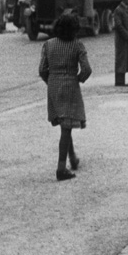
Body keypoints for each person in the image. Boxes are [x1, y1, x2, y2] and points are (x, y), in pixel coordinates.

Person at [38, 14, 92, 181]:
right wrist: (78, 79)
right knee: (67, 126)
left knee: (64, 125)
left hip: (53, 85)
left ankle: (73, 157)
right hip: (70, 86)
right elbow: (86, 69)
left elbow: (41, 69)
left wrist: (51, 81)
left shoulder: (48, 44)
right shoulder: (77, 45)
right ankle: (61, 168)